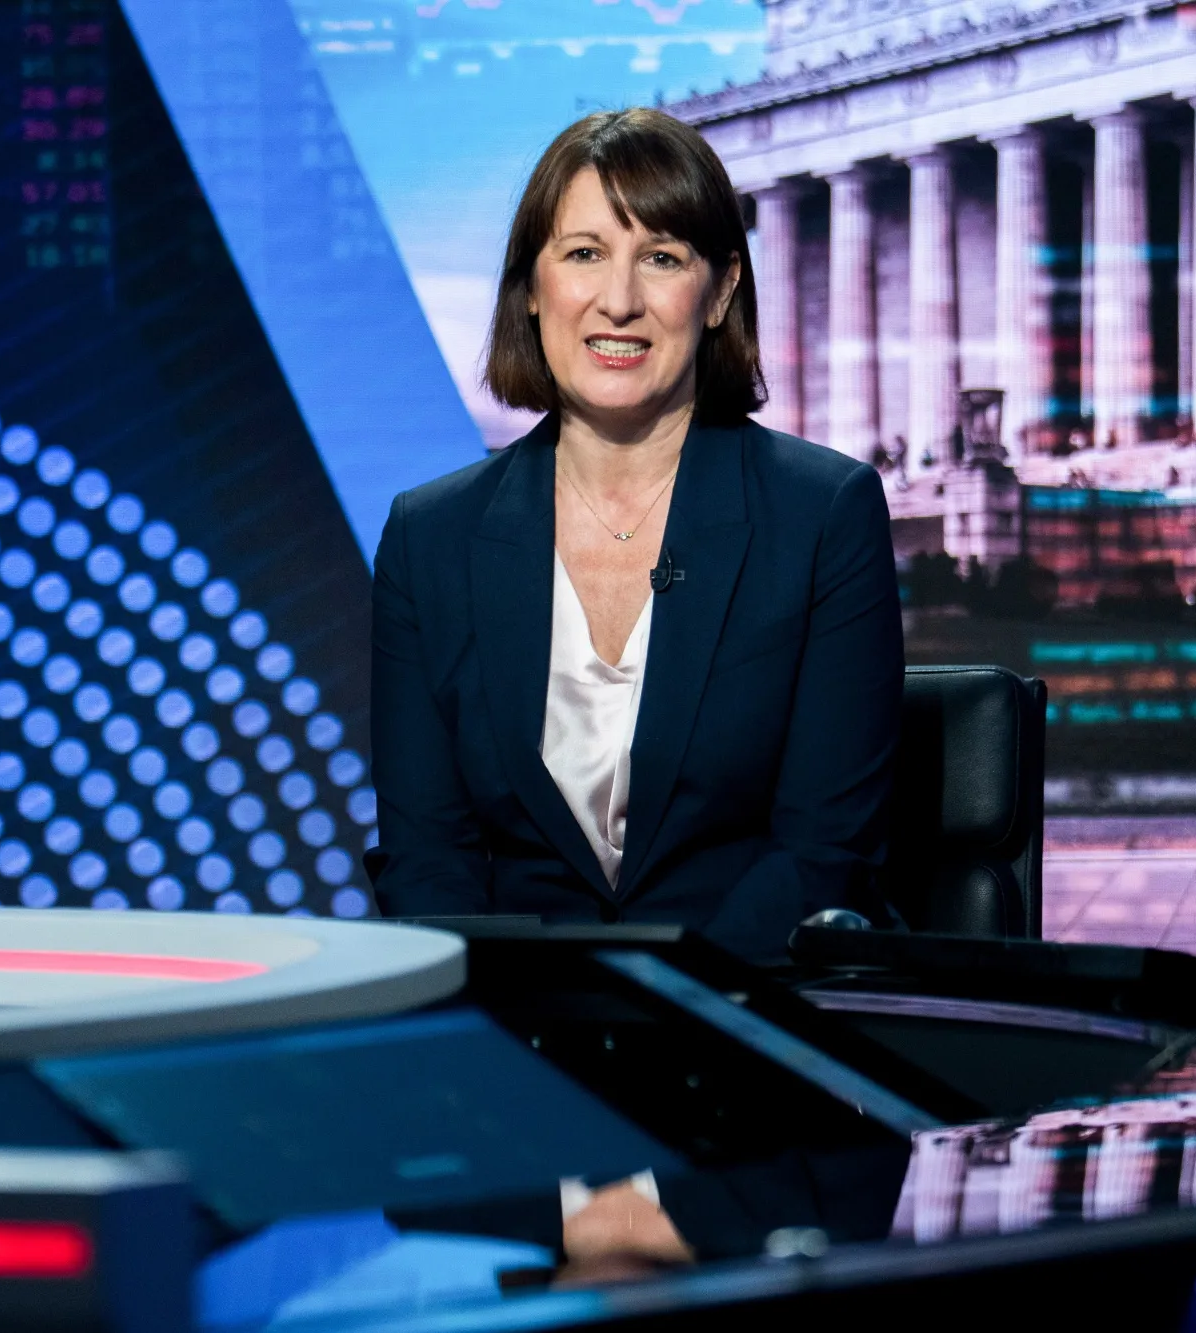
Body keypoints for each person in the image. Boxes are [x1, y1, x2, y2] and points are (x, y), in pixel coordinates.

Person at [366, 108, 903, 965]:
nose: (618, 300)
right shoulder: (427, 538)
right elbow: (428, 860)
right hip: (521, 1020)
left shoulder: (824, 513)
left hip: (755, 1009)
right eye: (584, 254)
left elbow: (821, 855)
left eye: (661, 258)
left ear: (719, 292)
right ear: (531, 287)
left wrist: (664, 1010)